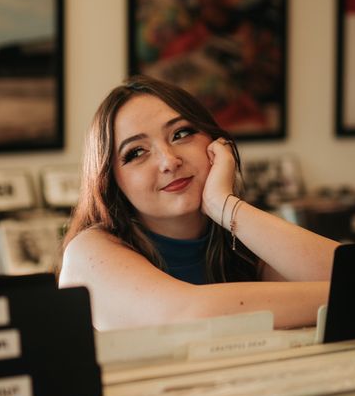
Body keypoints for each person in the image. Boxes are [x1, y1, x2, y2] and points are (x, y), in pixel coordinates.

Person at [59, 75, 339, 330]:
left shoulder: (238, 240)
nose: (169, 161)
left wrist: (224, 205)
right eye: (136, 153)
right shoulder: (88, 253)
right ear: (110, 180)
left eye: (181, 134)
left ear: (216, 144)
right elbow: (188, 316)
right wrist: (345, 295)